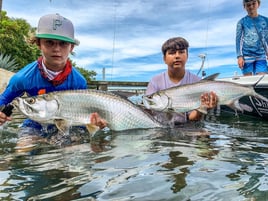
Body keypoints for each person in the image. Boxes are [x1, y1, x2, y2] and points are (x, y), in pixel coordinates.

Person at [0, 13, 106, 140]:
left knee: (76, 148)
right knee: (22, 149)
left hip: (70, 124)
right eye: (49, 42)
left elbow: (85, 116)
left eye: (63, 44)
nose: (56, 49)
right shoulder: (23, 78)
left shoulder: (78, 81)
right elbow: (3, 100)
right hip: (36, 123)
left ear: (71, 47)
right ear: (39, 44)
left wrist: (96, 124)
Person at [145, 36, 217, 125]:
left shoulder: (197, 82)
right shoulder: (155, 81)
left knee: (204, 135)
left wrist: (202, 109)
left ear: (187, 56)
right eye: (172, 53)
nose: (177, 56)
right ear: (164, 59)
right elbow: (148, 113)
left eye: (181, 52)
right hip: (161, 127)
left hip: (187, 127)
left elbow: (193, 118)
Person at [236, 0, 268, 76]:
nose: (251, 6)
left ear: (258, 4)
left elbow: (266, 37)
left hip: (261, 55)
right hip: (246, 56)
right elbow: (238, 40)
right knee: (248, 80)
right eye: (248, 5)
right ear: (244, 7)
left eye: (254, 3)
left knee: (262, 78)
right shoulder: (241, 22)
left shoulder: (266, 20)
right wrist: (239, 56)